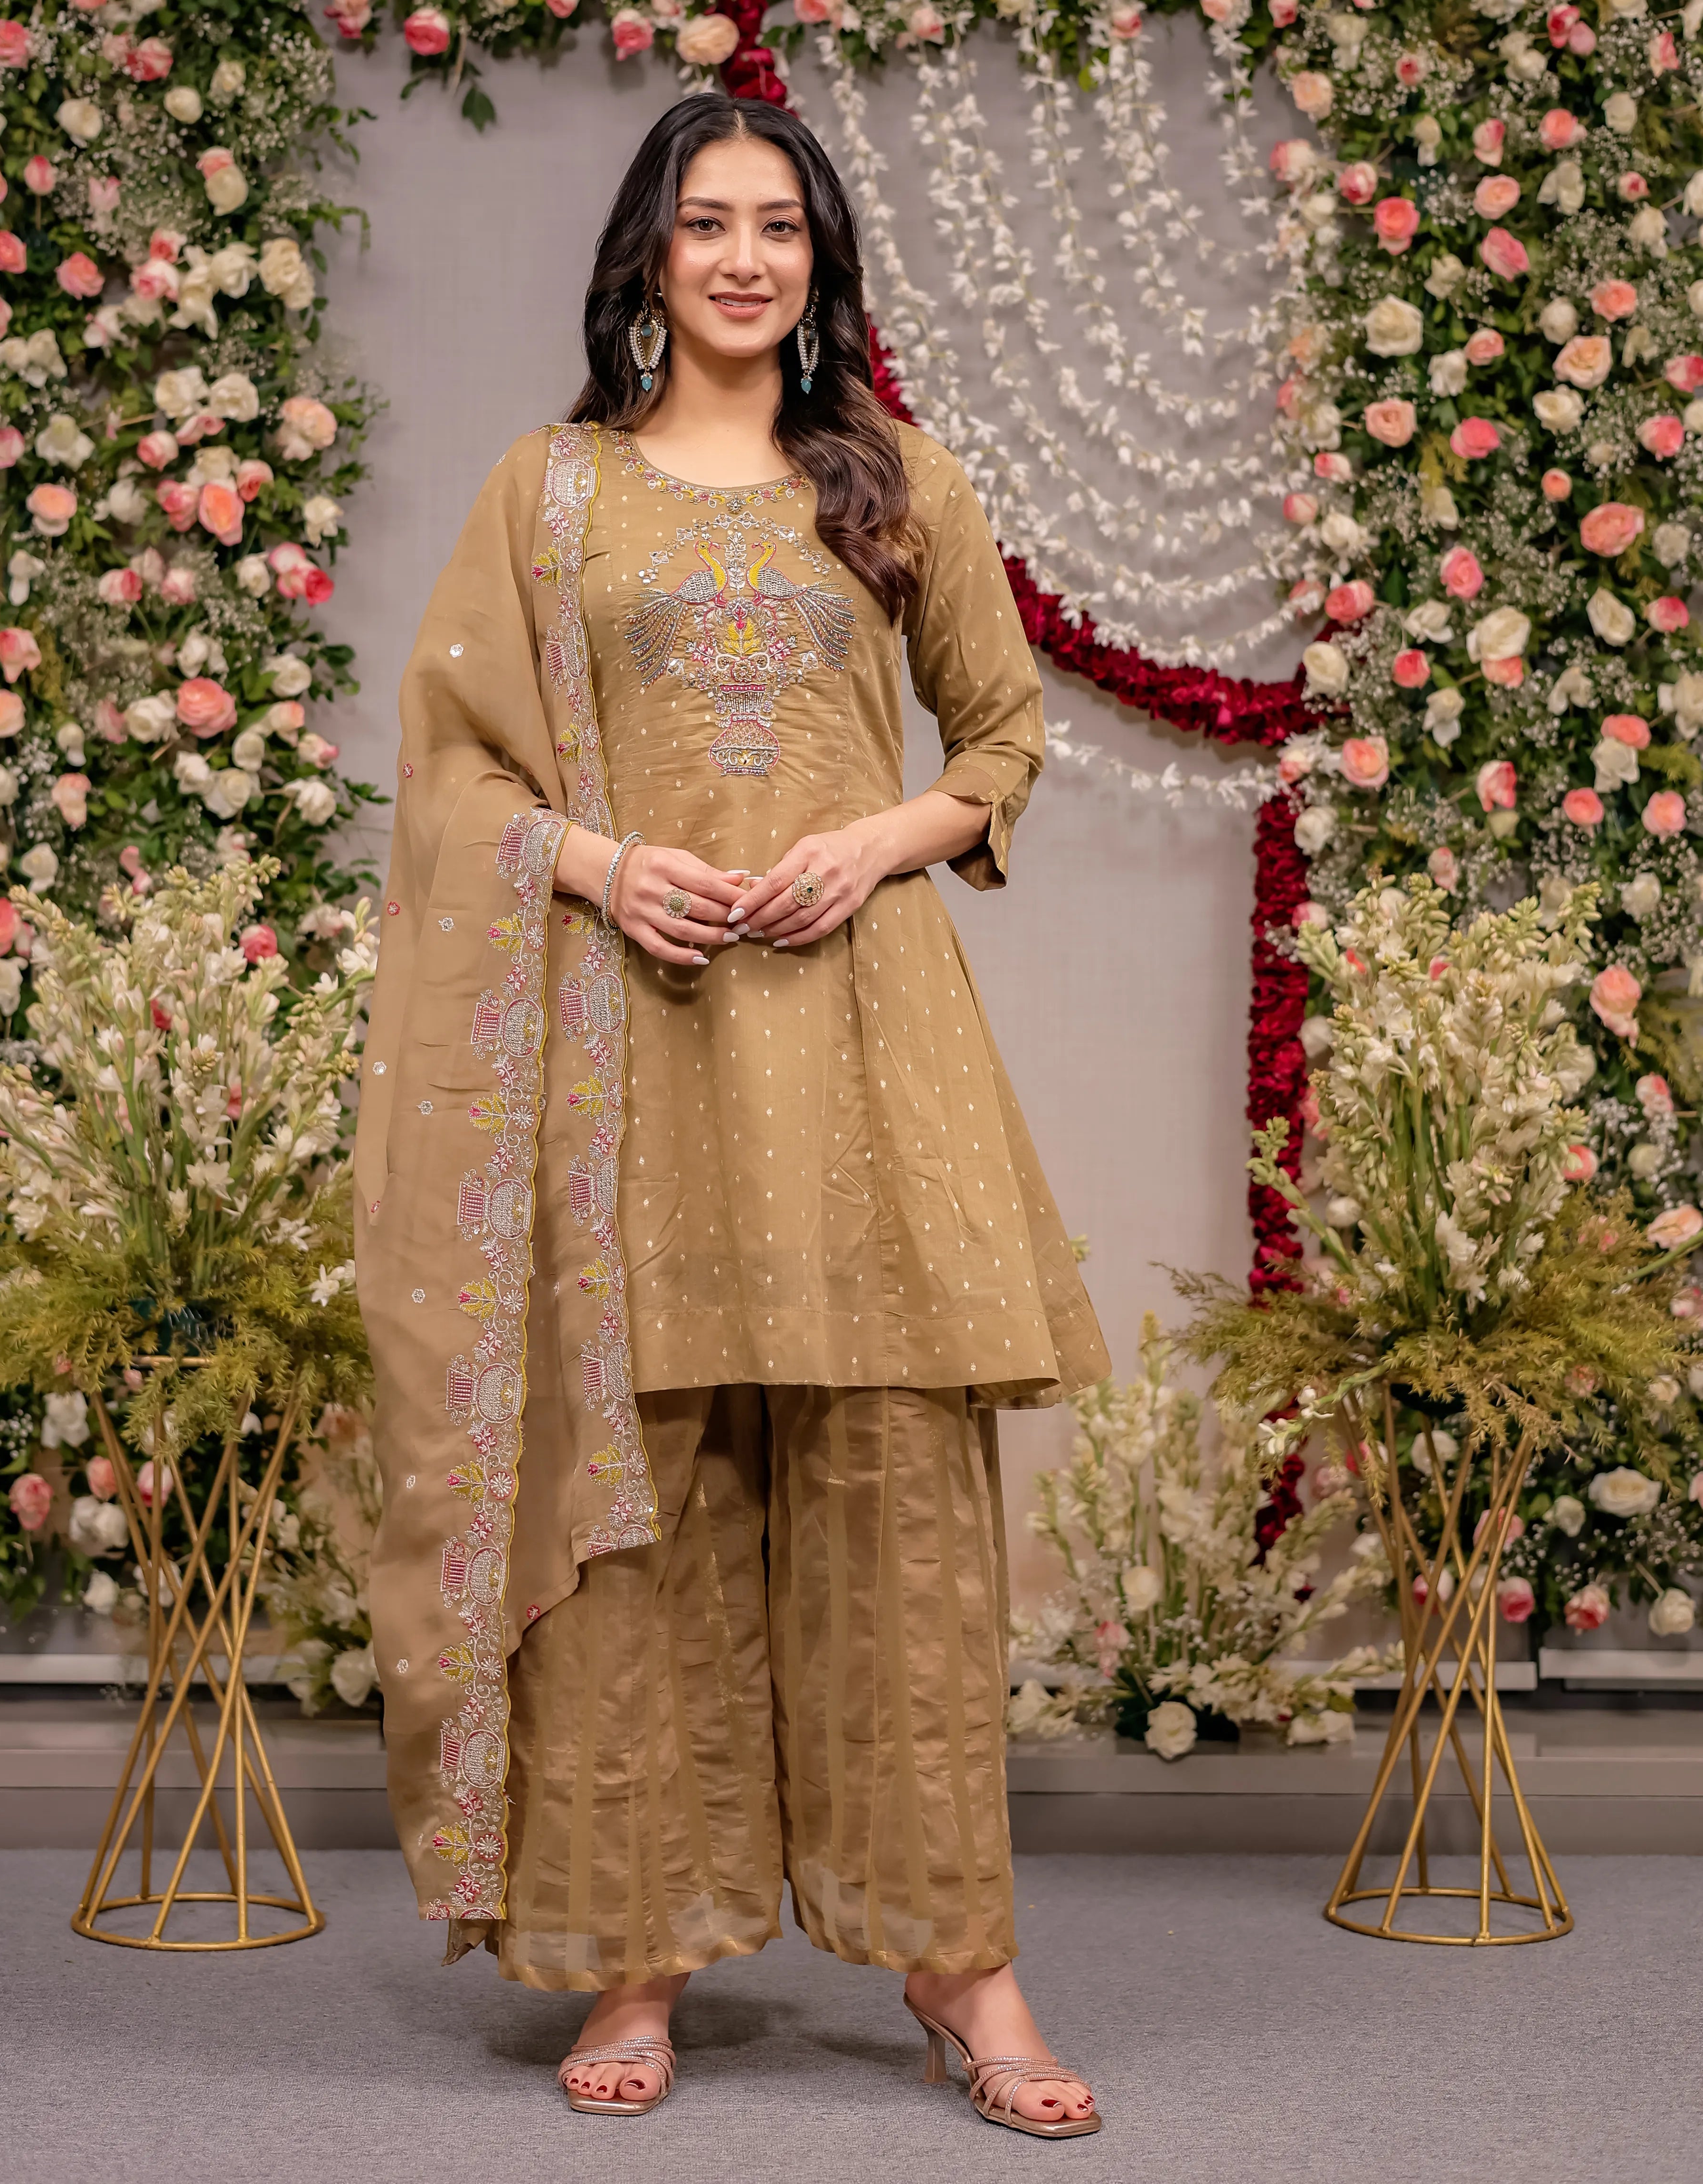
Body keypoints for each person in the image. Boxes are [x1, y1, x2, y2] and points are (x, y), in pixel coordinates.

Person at [354, 91, 1109, 2139]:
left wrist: (878, 837)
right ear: (647, 257)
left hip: (864, 1048)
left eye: (781, 225)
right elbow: (452, 781)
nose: (746, 259)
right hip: (626, 1054)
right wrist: (595, 868)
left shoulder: (895, 485)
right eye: (708, 225)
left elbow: (1006, 738)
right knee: (637, 1495)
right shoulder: (552, 494)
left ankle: (963, 1967)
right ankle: (637, 1943)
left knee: (895, 1502)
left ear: (819, 259)